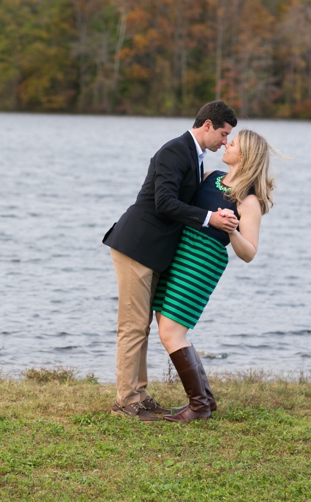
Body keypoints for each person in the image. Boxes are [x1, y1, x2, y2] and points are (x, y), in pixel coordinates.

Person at [103, 100, 239, 422]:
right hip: (136, 246)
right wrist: (210, 218)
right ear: (207, 125)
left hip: (154, 252)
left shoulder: (195, 157)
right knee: (132, 327)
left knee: (142, 328)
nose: (224, 142)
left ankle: (140, 395)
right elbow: (164, 203)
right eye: (223, 134)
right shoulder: (175, 151)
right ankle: (125, 402)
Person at [153, 129, 277, 422]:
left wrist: (232, 230)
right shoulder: (209, 176)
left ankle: (198, 406)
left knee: (171, 332)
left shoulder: (248, 200)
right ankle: (206, 399)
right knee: (165, 323)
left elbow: (249, 253)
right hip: (179, 250)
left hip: (203, 259)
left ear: (244, 155)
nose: (226, 143)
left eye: (232, 143)